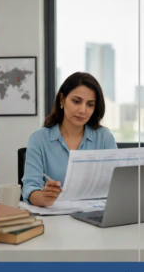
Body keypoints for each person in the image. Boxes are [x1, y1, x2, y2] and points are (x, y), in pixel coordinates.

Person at [22, 72, 117, 207]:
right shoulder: (39, 139)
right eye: (76, 101)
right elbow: (29, 188)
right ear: (62, 99)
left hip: (95, 214)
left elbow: (117, 185)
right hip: (56, 217)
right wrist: (44, 198)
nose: (82, 110)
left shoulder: (104, 137)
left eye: (90, 104)